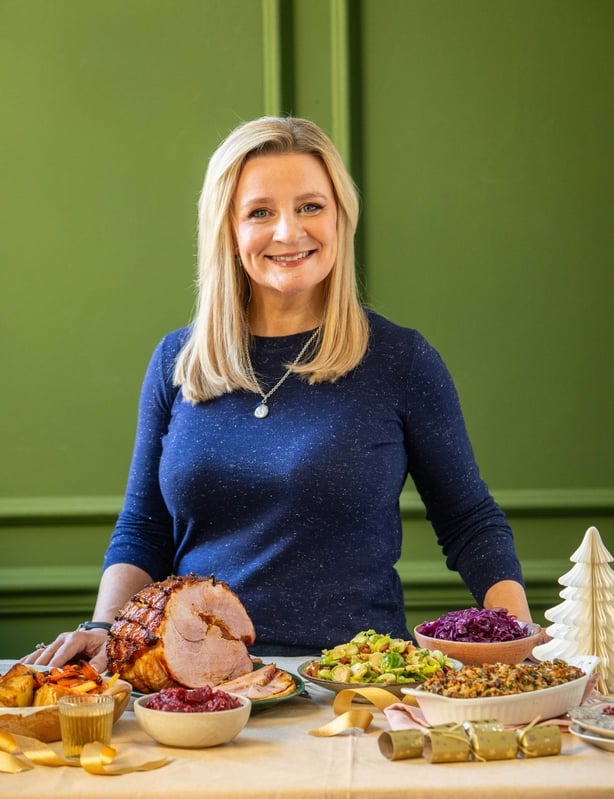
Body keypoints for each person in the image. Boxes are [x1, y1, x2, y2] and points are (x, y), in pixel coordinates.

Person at [22, 116, 534, 672]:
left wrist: (521, 651)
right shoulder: (178, 360)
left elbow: (470, 522)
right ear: (228, 228)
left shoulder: (401, 360)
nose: (289, 232)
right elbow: (144, 527)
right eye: (260, 212)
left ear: (340, 217)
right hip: (195, 686)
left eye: (311, 206)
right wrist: (103, 628)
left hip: (348, 685)